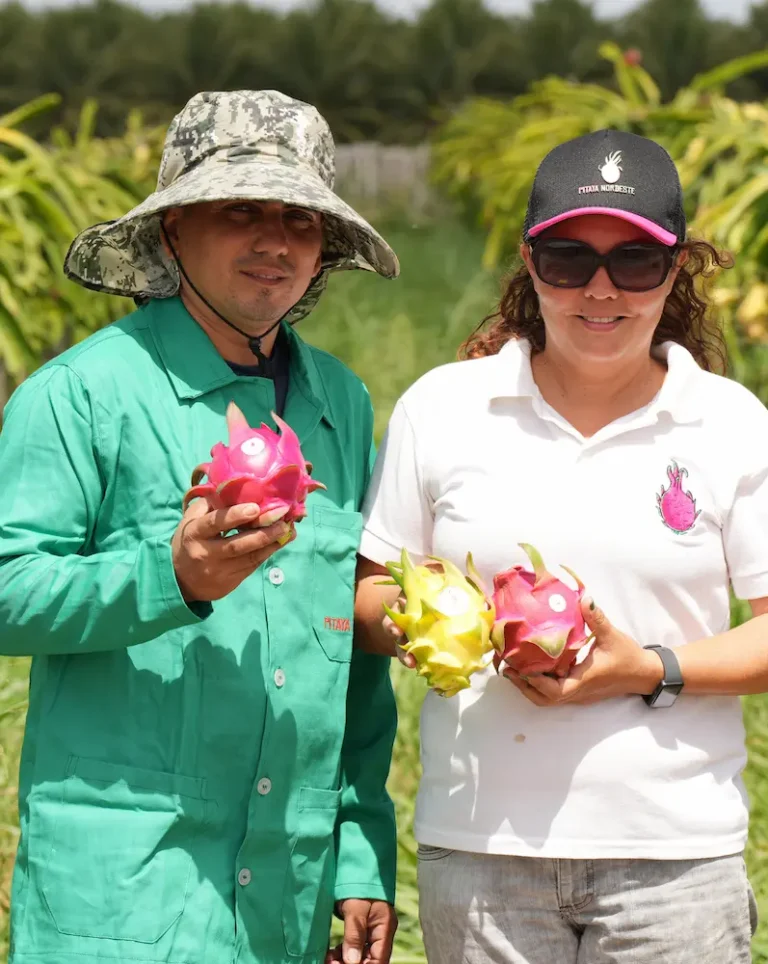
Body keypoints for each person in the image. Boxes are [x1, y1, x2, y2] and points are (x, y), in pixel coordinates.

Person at [0, 89, 401, 964]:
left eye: (300, 219)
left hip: (283, 900)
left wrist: (361, 850)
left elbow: (354, 653)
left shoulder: (343, 403)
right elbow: (7, 591)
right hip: (122, 893)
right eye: (240, 211)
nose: (275, 240)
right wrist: (169, 578)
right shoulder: (82, 395)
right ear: (174, 229)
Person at [354, 128, 768, 963]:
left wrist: (649, 668)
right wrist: (439, 624)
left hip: (676, 863)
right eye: (571, 259)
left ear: (676, 269)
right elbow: (367, 596)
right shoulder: (443, 408)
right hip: (479, 851)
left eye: (637, 263)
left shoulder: (732, 424)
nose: (601, 289)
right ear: (530, 261)